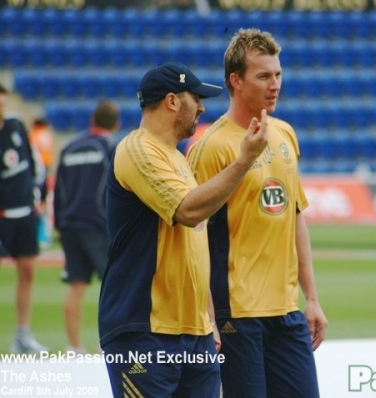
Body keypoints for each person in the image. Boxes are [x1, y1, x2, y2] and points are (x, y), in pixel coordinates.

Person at [97, 62, 268, 397]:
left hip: (193, 332)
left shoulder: (176, 158)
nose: (202, 107)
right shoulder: (138, 150)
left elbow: (193, 243)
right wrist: (244, 160)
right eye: (196, 98)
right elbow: (189, 212)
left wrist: (206, 316)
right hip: (144, 328)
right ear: (173, 101)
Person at [186, 28, 328, 398]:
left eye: (278, 74)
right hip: (238, 314)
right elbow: (192, 235)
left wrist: (311, 298)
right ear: (236, 80)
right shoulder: (211, 147)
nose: (274, 84)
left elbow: (296, 217)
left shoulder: (285, 134)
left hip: (287, 311)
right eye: (263, 75)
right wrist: (207, 315)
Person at [53, 101, 120, 354]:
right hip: (99, 225)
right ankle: (110, 345)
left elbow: (58, 189)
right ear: (116, 124)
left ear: (92, 120)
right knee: (113, 288)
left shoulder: (69, 147)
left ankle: (73, 347)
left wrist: (59, 223)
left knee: (76, 285)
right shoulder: (110, 146)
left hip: (69, 225)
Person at [0, 83, 48, 354]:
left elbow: (35, 163)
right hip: (2, 215)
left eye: (3, 104)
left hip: (24, 213)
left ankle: (22, 334)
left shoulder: (16, 126)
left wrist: (39, 195)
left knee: (28, 273)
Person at [29, 117, 54, 247]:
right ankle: (45, 234)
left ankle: (39, 234)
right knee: (45, 203)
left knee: (37, 204)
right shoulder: (47, 135)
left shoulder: (34, 134)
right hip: (45, 169)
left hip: (37, 171)